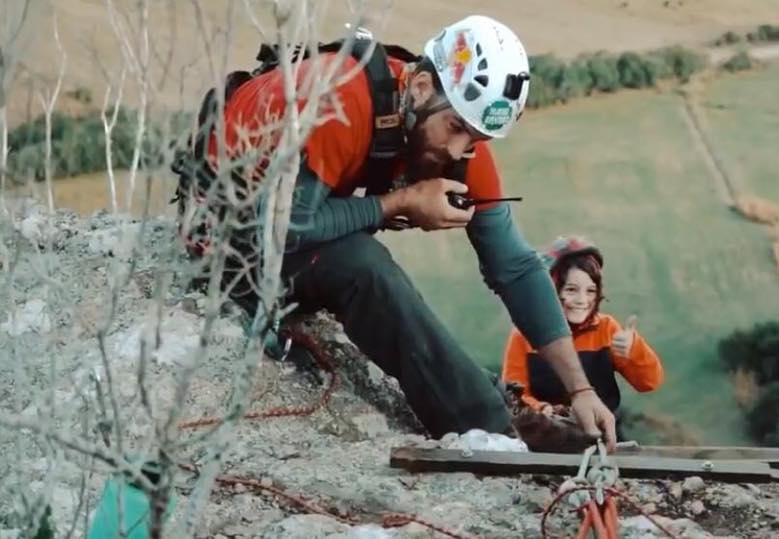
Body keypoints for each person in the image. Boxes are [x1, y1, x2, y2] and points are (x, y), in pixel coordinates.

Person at [177, 15, 618, 449]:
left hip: (288, 227)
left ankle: (494, 401)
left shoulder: (444, 123)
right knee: (361, 265)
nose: (459, 149)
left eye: (479, 138)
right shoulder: (340, 102)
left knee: (359, 256)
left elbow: (515, 266)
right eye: (458, 129)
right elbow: (284, 225)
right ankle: (487, 430)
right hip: (231, 242)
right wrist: (397, 204)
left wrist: (580, 389)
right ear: (422, 87)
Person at [501, 235, 664, 440]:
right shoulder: (523, 334)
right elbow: (514, 394)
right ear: (551, 290)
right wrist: (542, 409)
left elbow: (650, 382)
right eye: (571, 290)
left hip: (603, 437)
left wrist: (634, 350)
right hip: (546, 439)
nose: (582, 300)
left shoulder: (606, 329)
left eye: (591, 291)